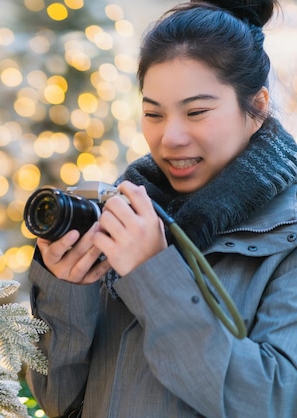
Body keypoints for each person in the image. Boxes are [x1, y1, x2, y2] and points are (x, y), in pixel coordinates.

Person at [25, 0, 297, 417]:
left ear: (257, 105)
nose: (170, 138)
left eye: (197, 112)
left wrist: (153, 273)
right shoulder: (125, 214)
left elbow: (272, 403)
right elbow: (58, 400)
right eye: (153, 113)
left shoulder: (288, 234)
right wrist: (67, 289)